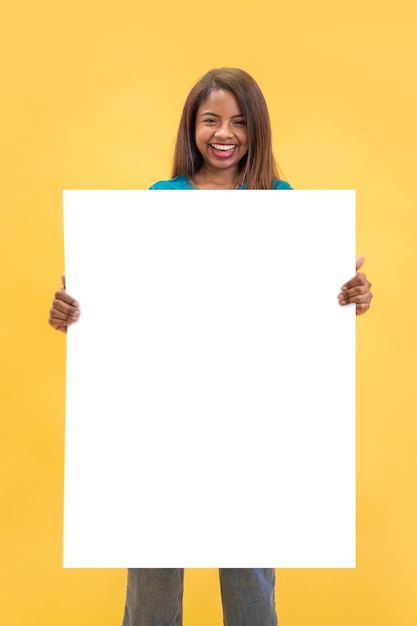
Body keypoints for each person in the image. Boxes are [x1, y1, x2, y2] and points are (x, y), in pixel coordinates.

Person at [49, 68, 373, 626]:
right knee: (153, 569)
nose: (225, 134)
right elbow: (127, 298)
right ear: (191, 127)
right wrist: (78, 309)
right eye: (212, 120)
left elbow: (304, 308)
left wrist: (349, 294)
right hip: (166, 412)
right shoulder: (161, 200)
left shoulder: (283, 204)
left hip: (250, 418)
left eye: (240, 122)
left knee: (249, 574)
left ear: (257, 129)